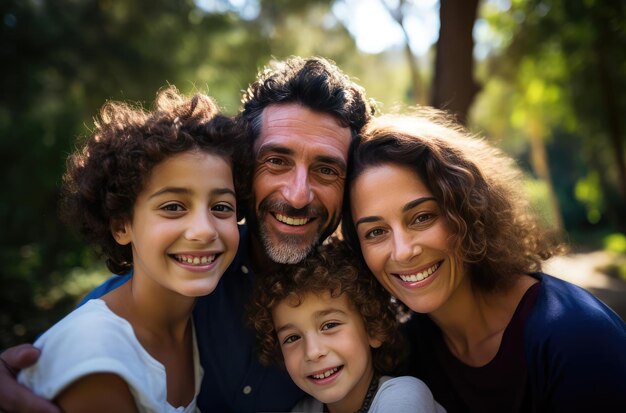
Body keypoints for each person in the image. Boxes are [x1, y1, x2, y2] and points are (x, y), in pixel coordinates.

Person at [0, 56, 375, 413]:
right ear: (243, 172)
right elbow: (85, 337)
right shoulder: (187, 268)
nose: (297, 195)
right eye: (276, 161)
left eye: (326, 170)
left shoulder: (365, 286)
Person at [341, 109, 626, 412]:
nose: (402, 251)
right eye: (375, 232)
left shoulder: (576, 338)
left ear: (466, 211)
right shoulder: (402, 354)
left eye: (422, 217)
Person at [16, 86, 245, 412]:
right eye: (173, 207)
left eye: (222, 207)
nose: (203, 230)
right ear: (122, 226)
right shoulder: (97, 361)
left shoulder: (198, 324)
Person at [249, 238, 445, 413]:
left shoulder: (404, 395)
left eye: (329, 325)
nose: (313, 352)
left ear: (372, 329)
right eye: (292, 338)